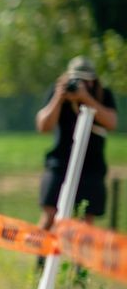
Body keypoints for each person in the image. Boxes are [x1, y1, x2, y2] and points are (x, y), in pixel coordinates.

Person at [36, 56, 117, 231]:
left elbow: (111, 122)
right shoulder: (59, 92)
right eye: (76, 79)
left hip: (91, 167)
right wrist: (58, 97)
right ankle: (41, 257)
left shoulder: (103, 94)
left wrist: (86, 98)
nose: (80, 84)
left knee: (85, 222)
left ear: (93, 81)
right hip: (60, 164)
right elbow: (43, 126)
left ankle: (78, 259)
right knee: (50, 215)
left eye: (85, 81)